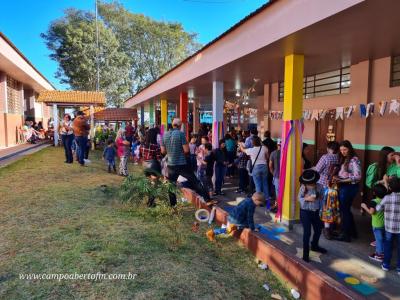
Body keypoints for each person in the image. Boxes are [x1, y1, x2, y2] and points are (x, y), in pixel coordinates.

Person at [161, 118, 212, 206]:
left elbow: (162, 151)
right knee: (195, 181)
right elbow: (186, 150)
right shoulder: (180, 134)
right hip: (181, 164)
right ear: (180, 125)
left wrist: (171, 152)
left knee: (171, 186)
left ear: (172, 124)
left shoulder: (165, 135)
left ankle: (173, 206)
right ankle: (207, 200)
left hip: (171, 165)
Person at [333, 140, 361, 242]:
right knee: (346, 210)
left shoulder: (354, 160)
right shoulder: (344, 158)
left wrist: (342, 180)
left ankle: (346, 235)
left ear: (349, 148)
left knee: (345, 211)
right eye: (341, 150)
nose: (343, 151)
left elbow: (357, 176)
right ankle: (352, 232)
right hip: (344, 185)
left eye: (345, 149)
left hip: (349, 187)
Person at [298, 169, 327, 262]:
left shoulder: (320, 187)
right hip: (305, 212)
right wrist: (307, 199)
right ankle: (305, 254)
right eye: (309, 184)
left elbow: (323, 199)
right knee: (307, 233)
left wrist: (323, 209)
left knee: (318, 230)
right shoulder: (303, 187)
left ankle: (314, 246)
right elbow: (299, 198)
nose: (311, 186)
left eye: (312, 183)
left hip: (316, 212)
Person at [314, 141, 340, 239]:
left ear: (328, 148)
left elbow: (317, 170)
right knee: (332, 206)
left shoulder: (325, 157)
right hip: (334, 185)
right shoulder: (339, 157)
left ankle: (324, 227)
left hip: (323, 184)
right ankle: (331, 226)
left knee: (323, 206)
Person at [376, 177, 400, 273]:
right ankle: (399, 267)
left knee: (388, 245)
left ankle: (386, 265)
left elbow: (378, 208)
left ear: (389, 187)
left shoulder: (387, 198)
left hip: (389, 227)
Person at [240, 136, 271, 208]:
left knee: (258, 185)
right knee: (265, 184)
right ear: (260, 142)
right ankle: (268, 203)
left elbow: (243, 150)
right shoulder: (264, 148)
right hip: (264, 167)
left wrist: (241, 144)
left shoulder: (251, 150)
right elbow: (267, 157)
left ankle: (260, 202)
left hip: (256, 168)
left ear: (253, 143)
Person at [360, 184, 387, 262]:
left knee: (378, 239)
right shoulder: (385, 200)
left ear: (374, 193)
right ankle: (382, 252)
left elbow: (372, 212)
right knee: (382, 238)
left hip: (376, 224)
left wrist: (364, 206)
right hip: (384, 224)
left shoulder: (374, 202)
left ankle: (379, 255)